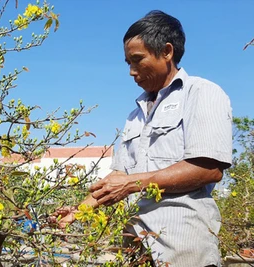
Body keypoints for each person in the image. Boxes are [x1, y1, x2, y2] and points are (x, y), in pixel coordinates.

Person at [50, 10, 232, 267]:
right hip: (136, 244)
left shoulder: (202, 93)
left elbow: (209, 169)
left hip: (182, 246)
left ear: (167, 52)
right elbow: (119, 178)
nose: (132, 72)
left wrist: (132, 184)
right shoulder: (135, 115)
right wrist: (78, 212)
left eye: (137, 60)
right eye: (128, 63)